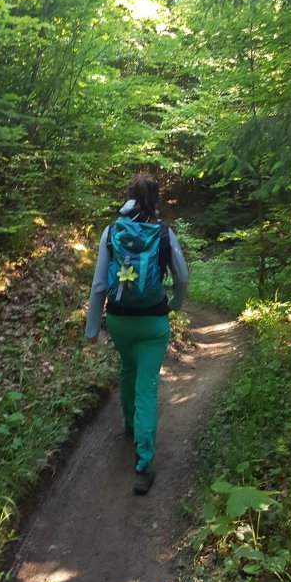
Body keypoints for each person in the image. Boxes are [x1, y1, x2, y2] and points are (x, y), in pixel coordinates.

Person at [85, 174, 189, 494]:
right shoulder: (163, 232)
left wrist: (92, 328)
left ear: (128, 196)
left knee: (128, 368)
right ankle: (143, 467)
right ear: (155, 199)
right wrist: (175, 304)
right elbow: (182, 277)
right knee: (147, 387)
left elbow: (99, 285)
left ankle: (129, 425)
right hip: (154, 322)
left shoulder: (111, 231)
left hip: (118, 320)